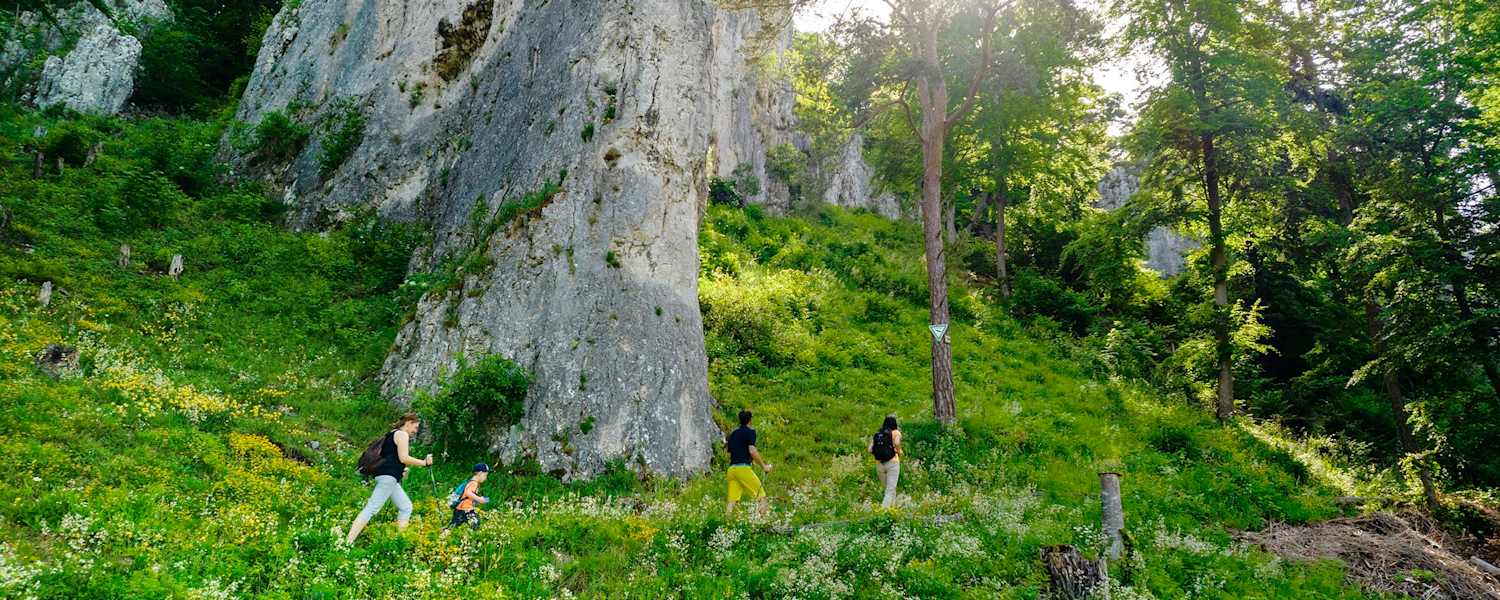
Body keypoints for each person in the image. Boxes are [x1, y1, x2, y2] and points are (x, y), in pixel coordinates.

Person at [345, 413, 433, 544]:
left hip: (386, 476)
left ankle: (400, 541)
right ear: (408, 422)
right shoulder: (402, 434)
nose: (416, 430)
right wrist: (424, 463)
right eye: (415, 426)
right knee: (371, 508)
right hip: (388, 478)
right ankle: (347, 542)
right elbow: (404, 457)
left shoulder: (391, 434)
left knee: (406, 506)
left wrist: (399, 470)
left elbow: (392, 458)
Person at [725, 409, 772, 518]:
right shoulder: (750, 432)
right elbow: (752, 451)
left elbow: (730, 452)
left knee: (732, 501)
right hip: (743, 469)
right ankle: (765, 523)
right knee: (761, 496)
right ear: (750, 420)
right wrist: (764, 466)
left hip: (732, 470)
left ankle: (726, 525)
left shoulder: (733, 434)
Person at [867, 414, 902, 509]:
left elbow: (870, 450)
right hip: (893, 462)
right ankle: (883, 512)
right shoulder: (896, 433)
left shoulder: (878, 434)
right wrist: (899, 451)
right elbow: (897, 443)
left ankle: (893, 510)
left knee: (889, 489)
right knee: (890, 490)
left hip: (879, 464)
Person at [444, 463, 492, 533]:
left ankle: (443, 536)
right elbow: (468, 492)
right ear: (480, 473)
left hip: (459, 509)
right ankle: (474, 539)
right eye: (485, 475)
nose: (486, 478)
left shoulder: (470, 481)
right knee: (475, 523)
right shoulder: (474, 483)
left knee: (453, 526)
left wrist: (476, 501)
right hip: (466, 510)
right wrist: (480, 499)